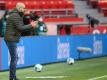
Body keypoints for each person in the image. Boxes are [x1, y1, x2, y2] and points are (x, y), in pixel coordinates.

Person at [4, 3, 38, 80]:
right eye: (23, 8)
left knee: (15, 58)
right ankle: (12, 78)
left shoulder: (16, 14)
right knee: (14, 58)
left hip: (11, 38)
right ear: (19, 8)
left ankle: (13, 77)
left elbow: (19, 26)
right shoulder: (15, 15)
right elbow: (20, 28)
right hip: (11, 38)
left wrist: (24, 15)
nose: (24, 9)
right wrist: (31, 25)